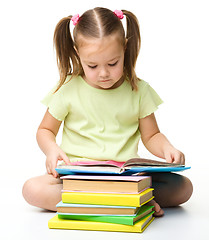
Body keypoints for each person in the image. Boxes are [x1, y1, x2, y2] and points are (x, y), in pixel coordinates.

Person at [22, 7, 193, 217]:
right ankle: (130, 202)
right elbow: (45, 130)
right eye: (92, 65)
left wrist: (167, 148)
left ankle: (101, 201)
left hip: (127, 177)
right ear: (78, 53)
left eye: (113, 63)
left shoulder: (138, 90)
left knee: (183, 188)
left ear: (125, 48)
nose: (103, 73)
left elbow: (152, 135)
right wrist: (51, 149)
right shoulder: (68, 89)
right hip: (79, 175)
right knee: (32, 189)